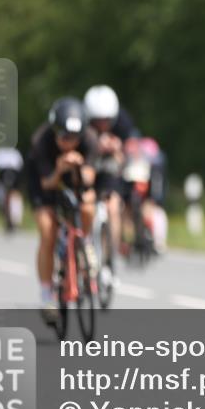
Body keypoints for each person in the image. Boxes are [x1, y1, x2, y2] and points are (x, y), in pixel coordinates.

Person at [26, 97, 98, 320]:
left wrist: (79, 166)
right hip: (44, 184)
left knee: (87, 207)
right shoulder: (42, 141)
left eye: (75, 139)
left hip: (73, 180)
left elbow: (89, 179)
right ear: (55, 132)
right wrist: (59, 169)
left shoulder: (90, 140)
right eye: (65, 138)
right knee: (48, 232)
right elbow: (47, 182)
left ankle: (83, 243)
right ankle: (47, 294)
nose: (70, 143)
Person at [84, 85, 138, 276]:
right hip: (89, 169)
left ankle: (109, 257)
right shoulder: (82, 125)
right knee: (86, 205)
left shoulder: (123, 124)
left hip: (110, 170)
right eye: (97, 121)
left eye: (106, 120)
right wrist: (95, 147)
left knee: (114, 207)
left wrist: (118, 150)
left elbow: (132, 153)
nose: (102, 125)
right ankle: (86, 248)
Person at [0, 147, 25, 231]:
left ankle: (14, 218)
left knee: (14, 194)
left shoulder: (1, 152)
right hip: (5, 175)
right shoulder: (3, 152)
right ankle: (11, 216)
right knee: (5, 196)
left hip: (12, 175)